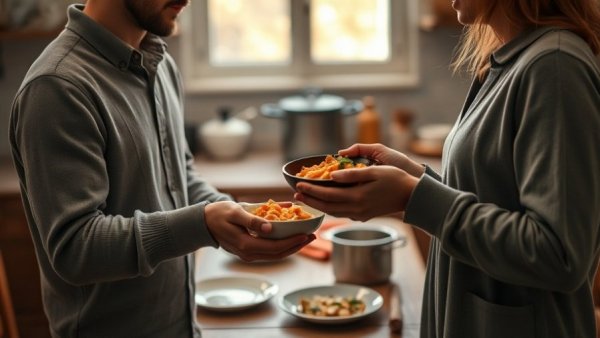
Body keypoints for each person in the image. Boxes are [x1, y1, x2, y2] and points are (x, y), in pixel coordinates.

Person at [294, 0, 600, 337]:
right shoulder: (511, 60)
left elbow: (558, 255)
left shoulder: (554, 66)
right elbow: (494, 197)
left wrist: (414, 196)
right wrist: (417, 179)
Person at [8, 1, 315, 337]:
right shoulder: (57, 86)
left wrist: (235, 214)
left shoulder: (160, 62)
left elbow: (179, 175)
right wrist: (203, 224)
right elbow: (75, 248)